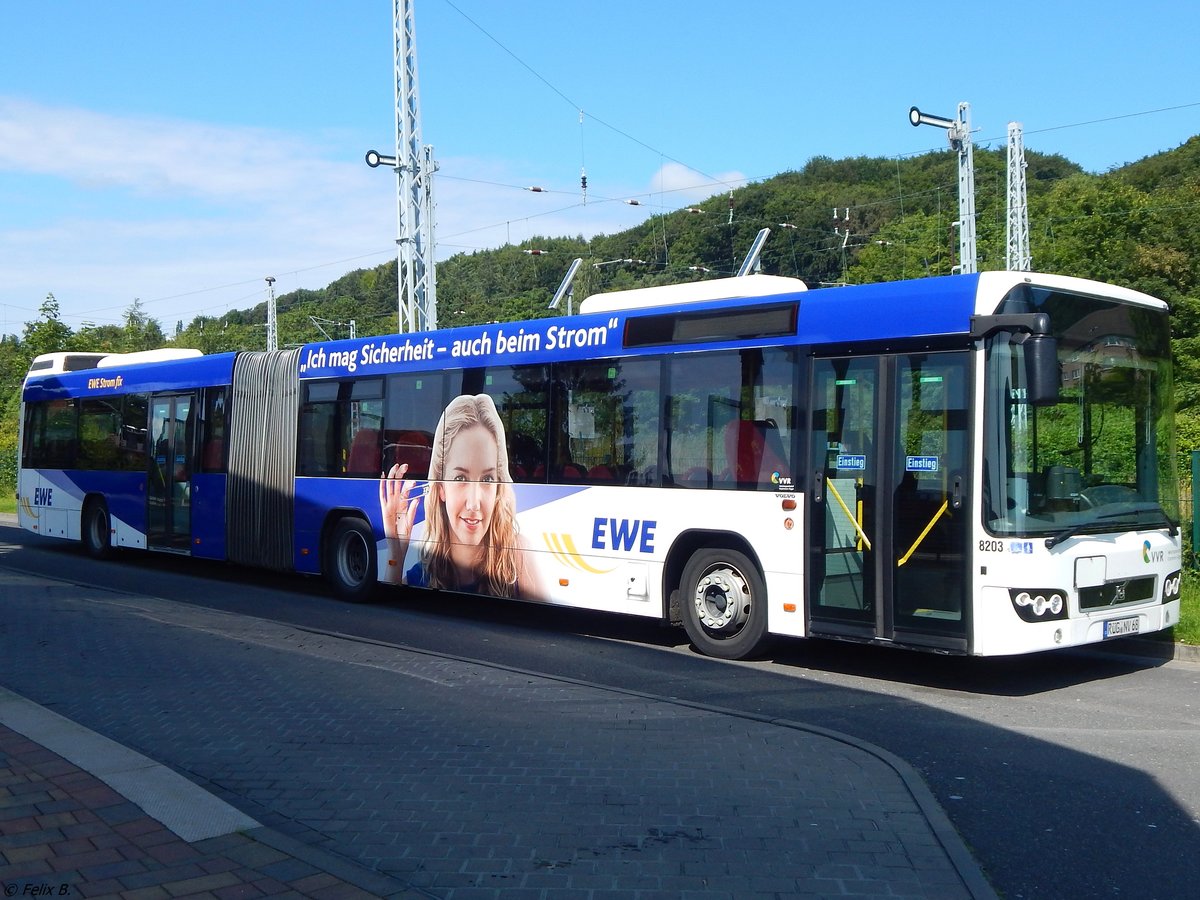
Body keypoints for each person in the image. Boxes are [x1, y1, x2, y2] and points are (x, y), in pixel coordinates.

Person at [379, 393, 547, 601]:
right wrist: (395, 554)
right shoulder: (423, 574)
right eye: (460, 478)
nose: (474, 503)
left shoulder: (517, 557)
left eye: (487, 480)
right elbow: (390, 617)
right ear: (440, 487)